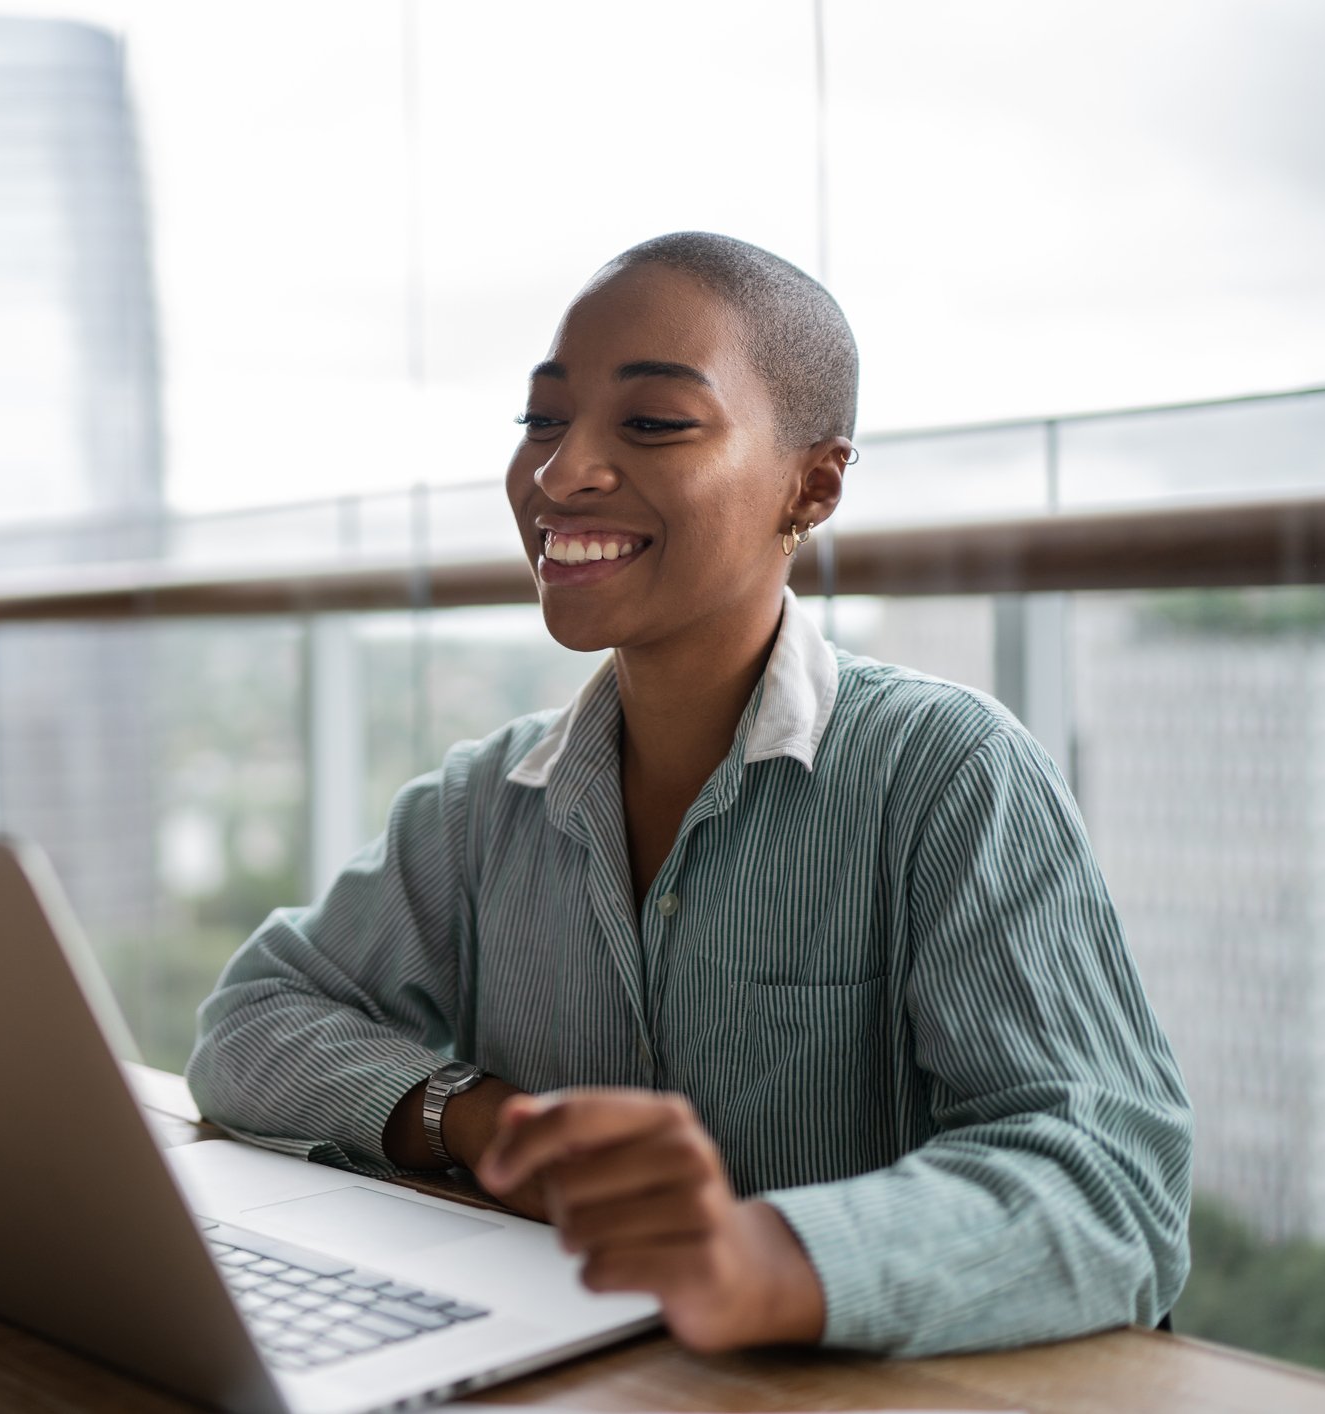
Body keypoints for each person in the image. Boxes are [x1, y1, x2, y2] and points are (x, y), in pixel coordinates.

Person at [185, 232, 1192, 1357]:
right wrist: (481, 1121)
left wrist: (766, 1257)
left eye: (653, 423)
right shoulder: (484, 802)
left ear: (809, 484)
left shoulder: (946, 775)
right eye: (542, 420)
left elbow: (1112, 1181)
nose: (560, 473)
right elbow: (249, 1025)